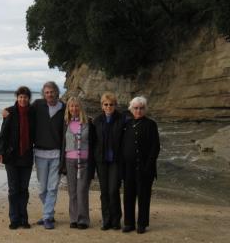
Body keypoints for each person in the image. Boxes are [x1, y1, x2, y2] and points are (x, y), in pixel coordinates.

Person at [2, 81, 65, 230]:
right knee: (43, 189)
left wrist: (87, 121)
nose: (50, 94)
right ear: (44, 94)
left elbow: (75, 115)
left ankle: (48, 216)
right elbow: (21, 109)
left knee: (52, 188)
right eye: (47, 92)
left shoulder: (64, 108)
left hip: (56, 154)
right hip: (40, 154)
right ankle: (48, 211)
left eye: (52, 92)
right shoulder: (37, 105)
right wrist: (6, 111)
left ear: (57, 92)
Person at [0, 86, 35, 230]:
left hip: (27, 156)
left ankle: (24, 219)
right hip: (11, 157)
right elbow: (2, 135)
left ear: (29, 98)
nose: (23, 99)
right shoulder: (10, 112)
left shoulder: (32, 113)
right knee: (13, 189)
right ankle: (14, 219)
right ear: (17, 98)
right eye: (20, 97)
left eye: (25, 97)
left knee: (24, 189)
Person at [121, 96, 160, 234]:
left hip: (145, 168)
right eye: (136, 108)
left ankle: (142, 224)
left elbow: (155, 147)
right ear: (131, 109)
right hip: (128, 168)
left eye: (141, 108)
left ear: (145, 109)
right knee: (128, 196)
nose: (138, 110)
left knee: (144, 196)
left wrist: (148, 166)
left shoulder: (151, 124)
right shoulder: (127, 124)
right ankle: (128, 223)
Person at [60, 97, 95, 229]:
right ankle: (74, 218)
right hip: (69, 161)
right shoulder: (65, 123)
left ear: (80, 108)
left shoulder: (88, 123)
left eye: (76, 106)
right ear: (68, 108)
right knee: (72, 192)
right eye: (71, 106)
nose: (74, 109)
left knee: (82, 191)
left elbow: (94, 143)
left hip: (84, 162)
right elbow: (62, 143)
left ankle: (83, 220)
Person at [93, 92, 125, 231]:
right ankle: (106, 220)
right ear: (102, 106)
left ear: (115, 105)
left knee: (113, 190)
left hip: (116, 161)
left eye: (111, 104)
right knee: (104, 191)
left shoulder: (122, 119)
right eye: (106, 104)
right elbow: (93, 141)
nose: (108, 107)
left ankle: (116, 220)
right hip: (101, 161)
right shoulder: (97, 121)